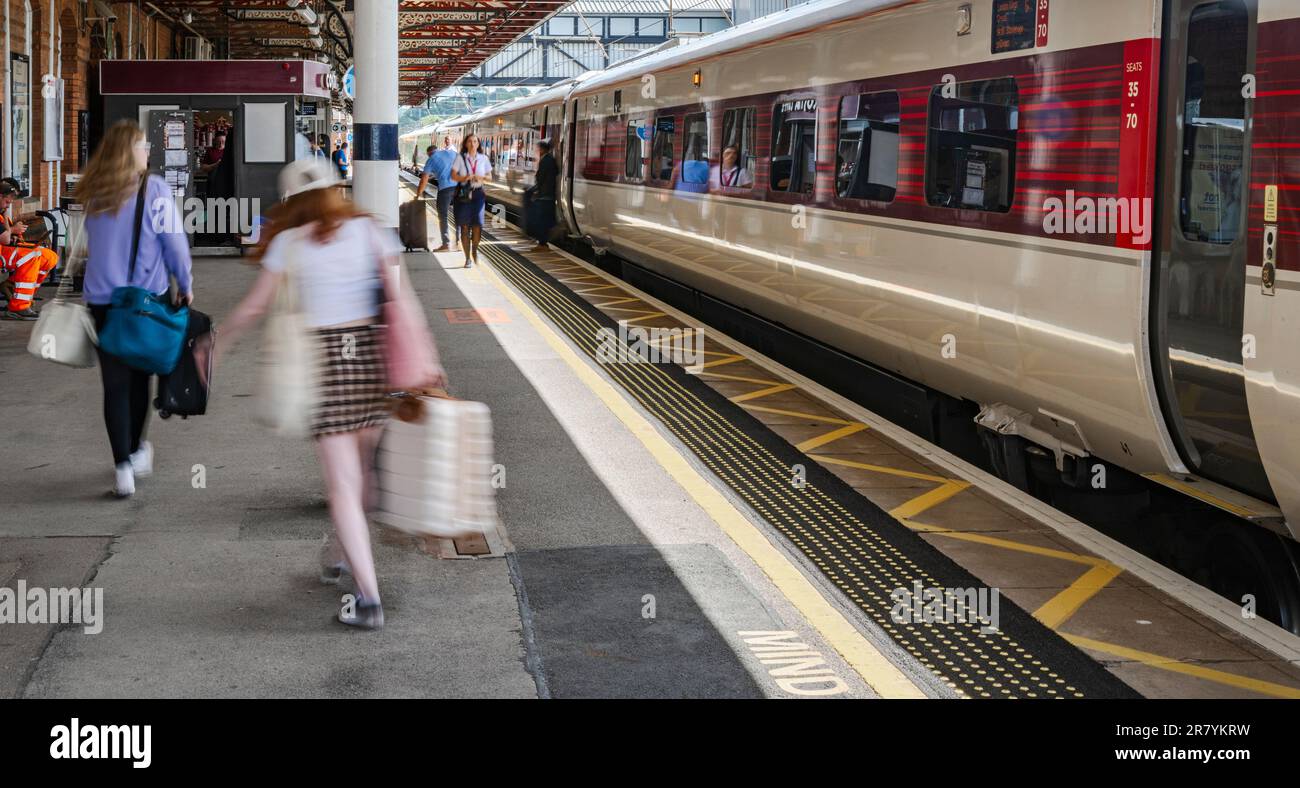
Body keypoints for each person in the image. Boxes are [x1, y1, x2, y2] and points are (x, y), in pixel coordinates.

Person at [197, 158, 447, 630]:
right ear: (337, 189)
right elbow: (400, 298)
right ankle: (339, 554)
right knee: (365, 475)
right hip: (372, 354)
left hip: (324, 361)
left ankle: (369, 599)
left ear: (290, 201)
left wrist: (216, 343)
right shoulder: (372, 232)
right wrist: (425, 356)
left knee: (343, 486)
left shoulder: (289, 243)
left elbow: (254, 307)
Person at [78, 120, 194, 498]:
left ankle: (122, 467)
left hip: (101, 303)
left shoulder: (95, 193)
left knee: (113, 386)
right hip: (143, 302)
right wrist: (185, 284)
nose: (148, 152)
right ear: (131, 150)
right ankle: (136, 449)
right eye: (143, 145)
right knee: (139, 379)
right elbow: (174, 243)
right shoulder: (154, 189)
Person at [1, 179, 60, 320]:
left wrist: (14, 233)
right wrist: (13, 229)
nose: (8, 206)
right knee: (32, 256)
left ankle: (13, 288)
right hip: (2, 250)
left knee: (49, 257)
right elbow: (4, 238)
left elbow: (8, 237)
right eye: (7, 202)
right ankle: (19, 307)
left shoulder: (2, 213)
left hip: (5, 249)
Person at [451, 133, 492, 268]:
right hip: (463, 194)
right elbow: (453, 176)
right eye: (470, 142)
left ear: (478, 144)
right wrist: (465, 178)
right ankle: (467, 258)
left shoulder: (484, 158)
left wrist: (480, 177)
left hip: (478, 194)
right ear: (466, 144)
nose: (473, 144)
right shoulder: (460, 158)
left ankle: (475, 248)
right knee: (464, 226)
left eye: (475, 141)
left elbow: (490, 177)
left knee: (478, 225)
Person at [416, 140, 459, 252]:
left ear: (429, 153)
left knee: (443, 216)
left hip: (445, 189)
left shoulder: (431, 159)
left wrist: (418, 194)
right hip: (459, 187)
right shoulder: (452, 153)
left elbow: (424, 179)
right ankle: (459, 243)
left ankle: (446, 244)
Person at [525, 139, 558, 252]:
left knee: (542, 221)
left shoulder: (546, 161)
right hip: (547, 195)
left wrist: (535, 191)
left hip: (545, 196)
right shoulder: (550, 160)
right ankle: (542, 243)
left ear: (543, 149)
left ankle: (542, 244)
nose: (537, 151)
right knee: (543, 220)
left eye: (538, 149)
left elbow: (542, 179)